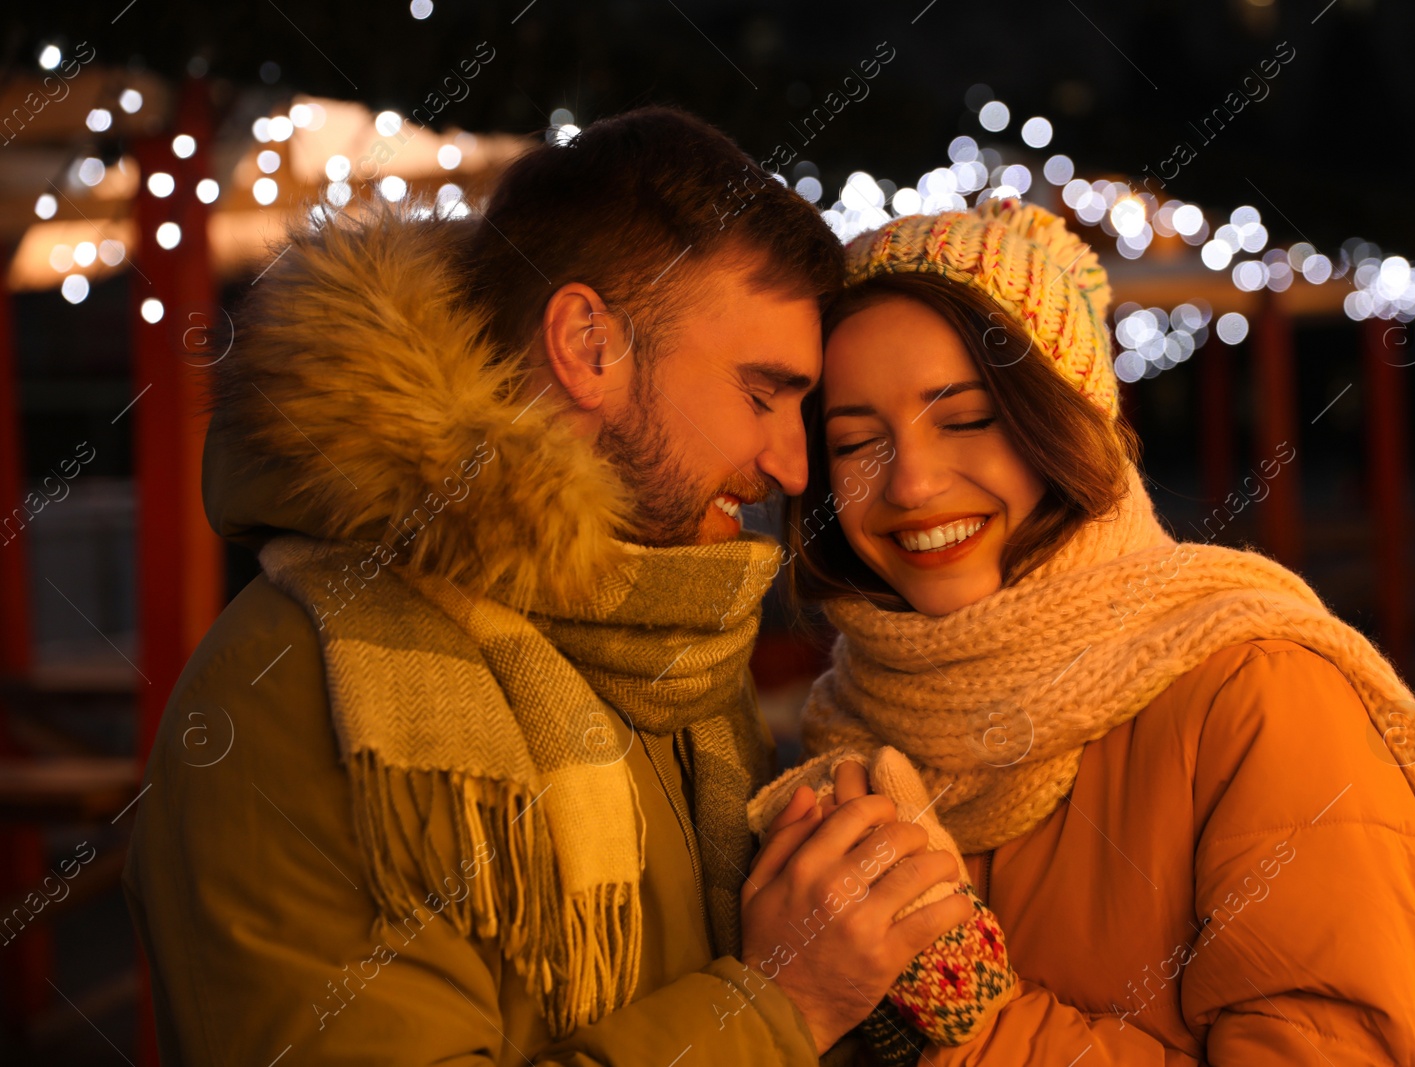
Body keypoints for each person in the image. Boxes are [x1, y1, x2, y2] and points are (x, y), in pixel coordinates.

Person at [122, 106, 970, 1066]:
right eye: (761, 392)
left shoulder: (674, 649)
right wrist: (781, 1010)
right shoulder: (292, 691)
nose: (791, 463)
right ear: (587, 345)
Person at [755, 197, 1415, 1065]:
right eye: (858, 441)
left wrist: (972, 1026)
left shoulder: (1260, 697)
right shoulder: (846, 733)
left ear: (1064, 420)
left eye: (967, 418)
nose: (910, 483)